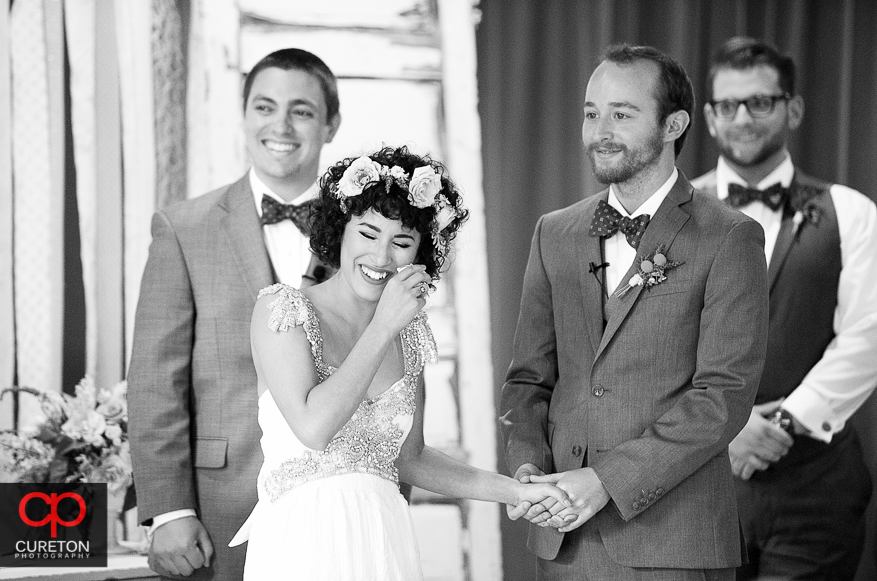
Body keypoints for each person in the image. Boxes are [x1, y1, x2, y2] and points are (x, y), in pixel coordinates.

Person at [228, 146, 572, 580]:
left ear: (421, 254)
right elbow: (314, 429)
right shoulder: (283, 310)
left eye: (402, 242)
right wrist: (382, 327)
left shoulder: (408, 335)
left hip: (383, 537)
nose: (381, 257)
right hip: (304, 539)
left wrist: (516, 491)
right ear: (341, 230)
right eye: (368, 234)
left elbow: (411, 459)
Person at [499, 43, 770, 580]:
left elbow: (722, 397)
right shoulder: (553, 232)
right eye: (592, 113)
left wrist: (604, 480)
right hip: (565, 541)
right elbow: (529, 378)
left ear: (674, 125)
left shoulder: (731, 236)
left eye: (622, 114)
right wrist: (527, 470)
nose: (601, 129)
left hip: (674, 541)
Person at [127, 48, 342, 580]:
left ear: (331, 124)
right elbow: (156, 379)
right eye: (264, 107)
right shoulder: (184, 229)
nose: (281, 125)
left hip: (341, 494)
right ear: (244, 116)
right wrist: (170, 510)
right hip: (222, 502)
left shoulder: (367, 235)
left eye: (302, 110)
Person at [692, 37, 877, 581]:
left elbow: (868, 334)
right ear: (707, 118)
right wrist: (727, 429)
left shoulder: (851, 212)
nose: (743, 118)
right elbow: (647, 347)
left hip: (815, 489)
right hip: (697, 486)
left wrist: (785, 423)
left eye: (760, 102)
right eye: (728, 106)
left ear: (792, 108)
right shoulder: (670, 215)